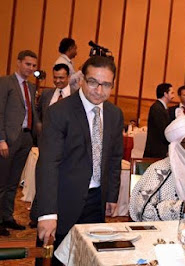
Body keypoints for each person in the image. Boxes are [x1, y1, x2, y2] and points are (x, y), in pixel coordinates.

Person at [35, 56, 124, 256]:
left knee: (87, 257)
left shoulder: (114, 114)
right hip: (62, 200)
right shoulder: (59, 111)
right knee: (57, 258)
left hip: (96, 200)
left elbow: (114, 157)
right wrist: (47, 213)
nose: (99, 90)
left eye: (106, 85)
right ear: (82, 79)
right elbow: (48, 163)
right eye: (93, 82)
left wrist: (111, 195)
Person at [129, 116, 185, 221]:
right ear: (177, 145)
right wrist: (181, 208)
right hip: (163, 234)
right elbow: (142, 211)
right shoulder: (158, 171)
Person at [0, 50, 39, 236]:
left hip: (25, 139)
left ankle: (7, 217)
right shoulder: (5, 82)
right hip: (8, 139)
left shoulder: (31, 88)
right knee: (2, 181)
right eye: (27, 64)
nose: (30, 68)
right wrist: (1, 139)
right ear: (18, 63)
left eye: (33, 65)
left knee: (13, 182)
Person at [144, 83, 174, 158]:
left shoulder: (162, 108)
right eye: (172, 93)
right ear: (165, 94)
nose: (173, 96)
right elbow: (162, 130)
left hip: (160, 149)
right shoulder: (157, 108)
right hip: (156, 150)